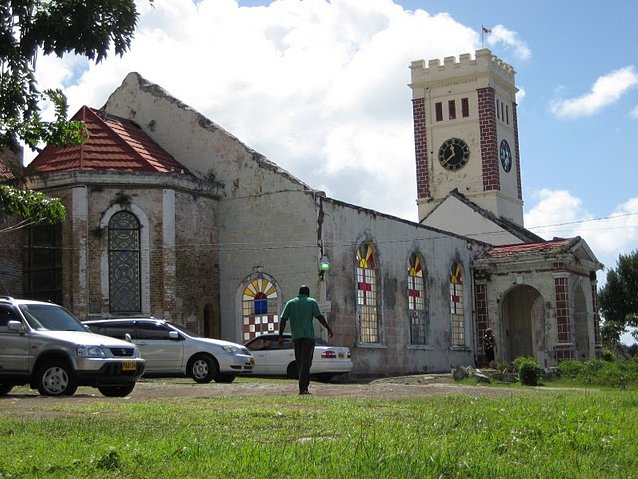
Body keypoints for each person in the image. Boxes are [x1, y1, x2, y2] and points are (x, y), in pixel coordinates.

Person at [278, 285, 333, 395]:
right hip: (308, 337)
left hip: (296, 337)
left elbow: (283, 319)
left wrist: (280, 335)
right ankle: (303, 388)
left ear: (299, 293)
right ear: (307, 293)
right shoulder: (311, 302)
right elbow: (319, 317)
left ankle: (302, 387)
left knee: (300, 362)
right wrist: (328, 328)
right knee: (306, 363)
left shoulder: (290, 303)